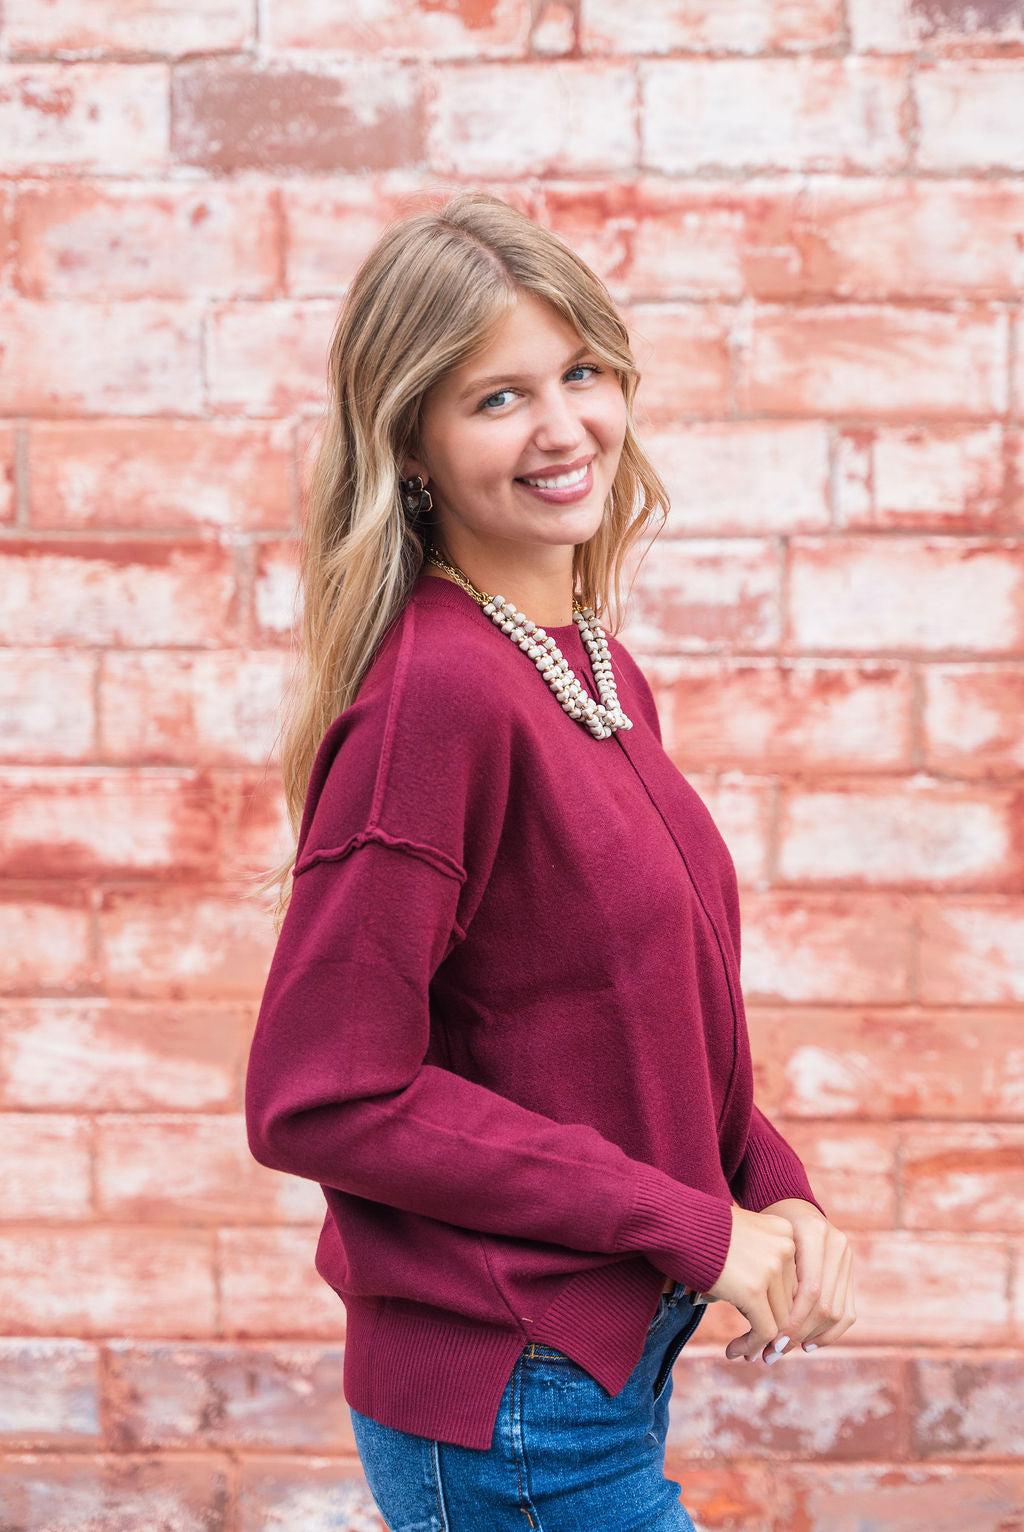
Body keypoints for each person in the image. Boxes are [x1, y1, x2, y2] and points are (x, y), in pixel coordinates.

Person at [244, 190, 856, 1531]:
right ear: (410, 443)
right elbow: (322, 1093)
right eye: (497, 398)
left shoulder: (595, 667)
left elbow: (635, 1025)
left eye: (580, 371)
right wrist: (692, 1226)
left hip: (594, 1374)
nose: (563, 427)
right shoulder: (437, 698)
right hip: (516, 1401)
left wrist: (771, 1186)